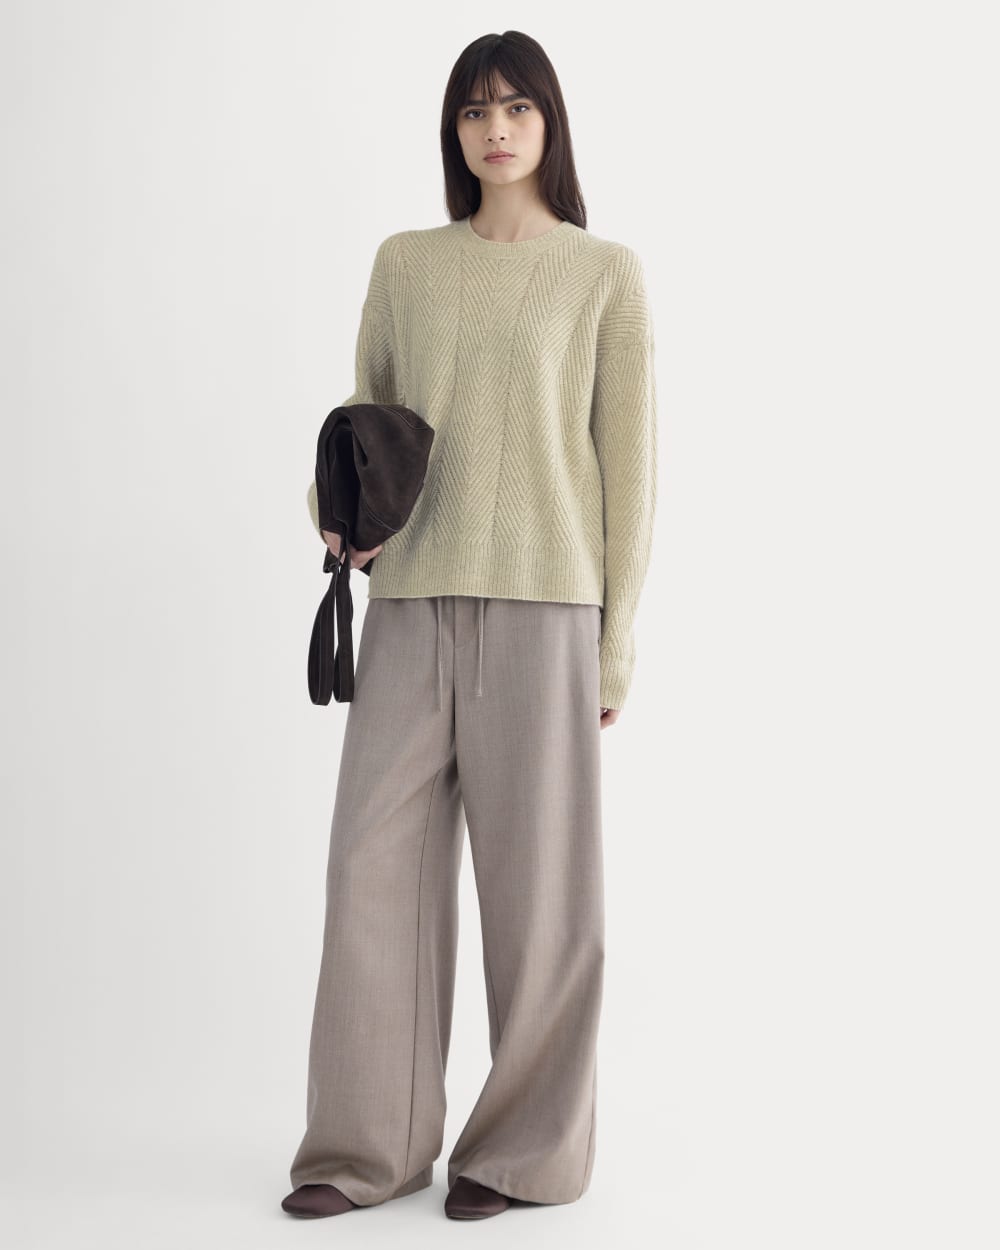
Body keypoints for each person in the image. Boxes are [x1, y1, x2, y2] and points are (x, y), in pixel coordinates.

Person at [281, 29, 657, 1223]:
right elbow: (365, 417)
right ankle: (365, 1147)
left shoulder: (603, 275)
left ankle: (520, 1153)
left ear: (550, 122)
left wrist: (615, 639)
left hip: (547, 608)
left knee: (540, 892)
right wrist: (331, 512)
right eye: (474, 112)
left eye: (517, 108)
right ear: (455, 132)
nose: (496, 130)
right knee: (370, 869)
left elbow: (629, 468)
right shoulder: (406, 263)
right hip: (409, 599)